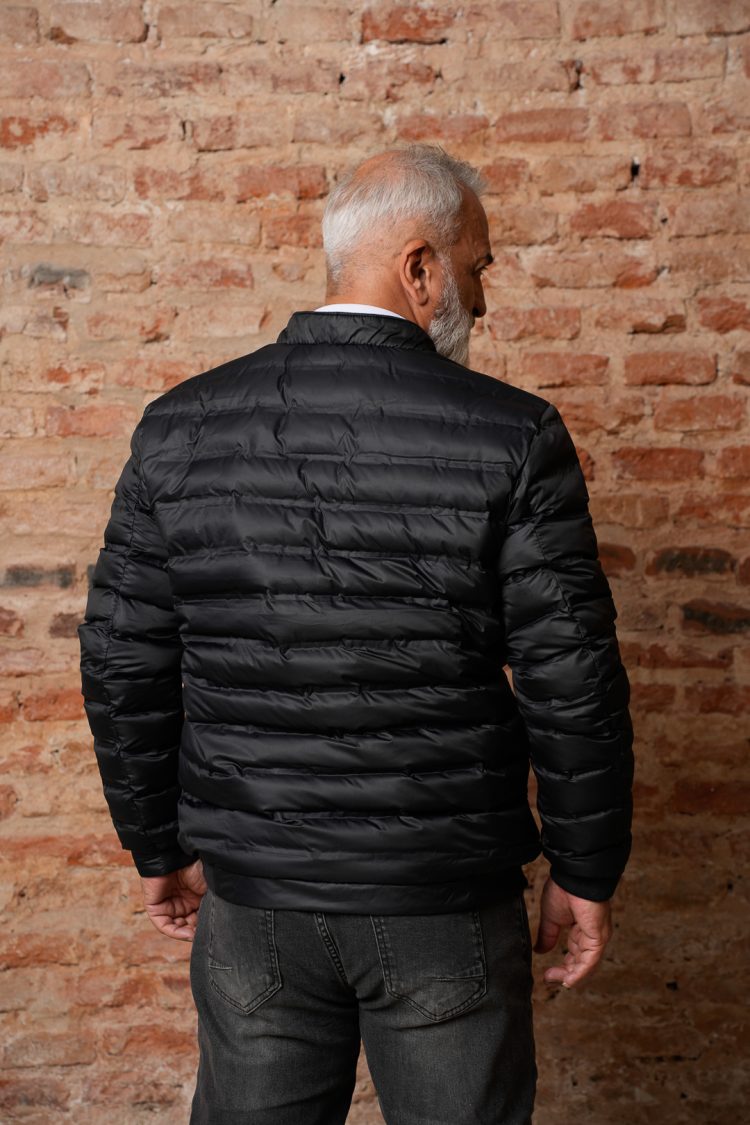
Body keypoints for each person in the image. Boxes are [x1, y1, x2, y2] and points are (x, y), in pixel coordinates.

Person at [78, 142, 634, 1124]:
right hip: (443, 904)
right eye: (477, 267)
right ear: (421, 268)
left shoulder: (180, 427)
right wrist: (586, 868)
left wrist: (156, 845)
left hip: (256, 902)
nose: (483, 296)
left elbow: (124, 659)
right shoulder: (513, 434)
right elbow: (571, 676)